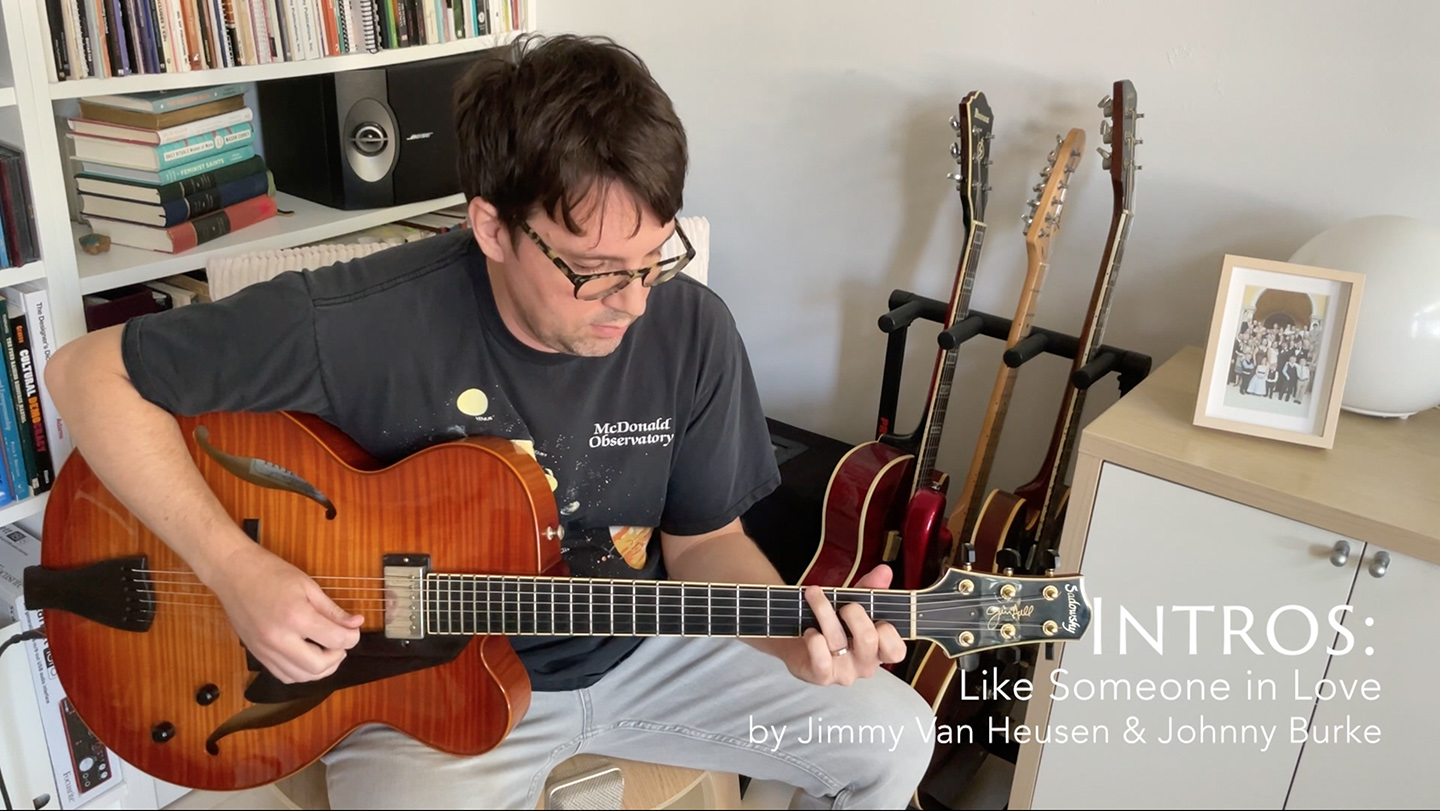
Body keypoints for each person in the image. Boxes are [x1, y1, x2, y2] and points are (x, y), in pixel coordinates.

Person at [45, 34, 934, 810]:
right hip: (420, 690)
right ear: (493, 228)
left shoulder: (687, 326)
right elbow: (85, 373)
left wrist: (796, 638)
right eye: (592, 270)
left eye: (653, 260)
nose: (631, 303)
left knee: (898, 737)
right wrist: (233, 566)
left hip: (646, 651)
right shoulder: (358, 322)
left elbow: (705, 545)